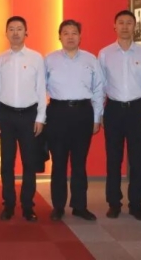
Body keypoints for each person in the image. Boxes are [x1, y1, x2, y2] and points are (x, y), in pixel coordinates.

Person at [99, 10, 141, 221]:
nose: (125, 26)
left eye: (129, 23)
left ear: (135, 26)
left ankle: (136, 204)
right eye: (121, 22)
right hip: (114, 110)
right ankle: (114, 203)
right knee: (113, 159)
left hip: (137, 110)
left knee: (137, 160)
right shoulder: (105, 53)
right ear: (114, 26)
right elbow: (100, 86)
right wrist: (99, 113)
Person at [44, 19, 104, 221]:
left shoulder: (91, 59)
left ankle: (80, 206)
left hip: (83, 113)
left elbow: (98, 90)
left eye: (74, 33)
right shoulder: (49, 60)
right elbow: (39, 89)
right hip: (57, 113)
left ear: (80, 37)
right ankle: (58, 206)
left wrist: (96, 118)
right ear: (59, 36)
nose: (70, 37)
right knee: (59, 163)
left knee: (79, 162)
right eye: (66, 33)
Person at [0, 16, 45, 221]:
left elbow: (41, 90)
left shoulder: (36, 58)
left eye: (19, 29)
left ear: (26, 32)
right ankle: (9, 204)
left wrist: (40, 117)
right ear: (6, 33)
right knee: (7, 163)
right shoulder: (0, 59)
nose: (15, 33)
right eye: (11, 29)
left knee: (29, 163)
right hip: (6, 115)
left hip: (29, 115)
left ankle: (27, 206)